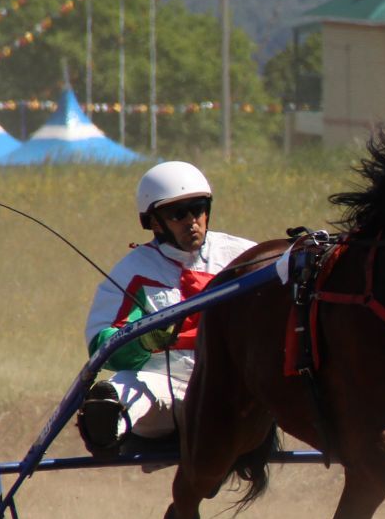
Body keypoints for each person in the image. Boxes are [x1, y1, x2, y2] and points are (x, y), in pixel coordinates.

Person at [78, 161, 256, 454]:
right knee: (123, 386)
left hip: (234, 390)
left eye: (198, 208)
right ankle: (107, 428)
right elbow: (101, 343)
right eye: (177, 214)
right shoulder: (133, 272)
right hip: (169, 393)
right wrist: (142, 341)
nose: (192, 221)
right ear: (155, 222)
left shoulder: (242, 255)